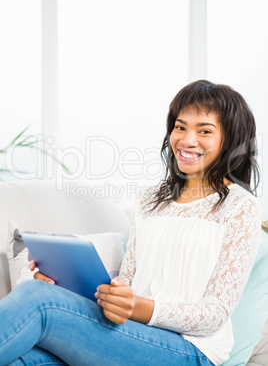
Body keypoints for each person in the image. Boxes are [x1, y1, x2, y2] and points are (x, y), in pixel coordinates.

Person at [0, 80, 261, 365]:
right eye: (180, 126)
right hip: (132, 334)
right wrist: (68, 285)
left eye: (205, 131)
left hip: (192, 350)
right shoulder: (151, 199)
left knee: (37, 299)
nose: (187, 140)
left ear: (231, 140)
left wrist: (139, 307)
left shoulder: (240, 207)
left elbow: (214, 314)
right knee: (26, 358)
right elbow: (128, 281)